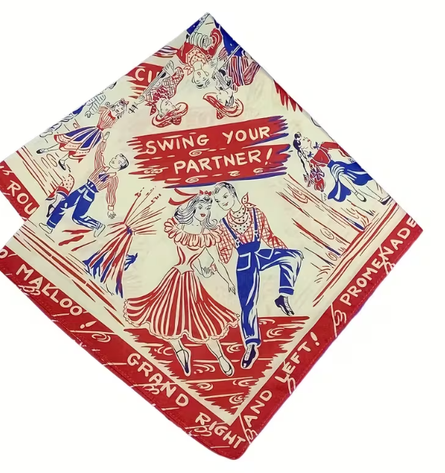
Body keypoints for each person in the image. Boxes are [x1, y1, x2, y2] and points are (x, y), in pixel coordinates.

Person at [123, 191, 238, 377]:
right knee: (166, 316)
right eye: (200, 206)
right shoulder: (179, 228)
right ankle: (180, 351)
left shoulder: (207, 235)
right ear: (193, 208)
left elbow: (214, 261)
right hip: (174, 277)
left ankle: (221, 357)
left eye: (207, 207)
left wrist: (226, 280)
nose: (204, 210)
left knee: (203, 319)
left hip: (190, 280)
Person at [213, 182, 304, 370]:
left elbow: (268, 237)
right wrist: (215, 248)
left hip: (261, 254)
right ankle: (251, 345)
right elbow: (225, 254)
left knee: (293, 256)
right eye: (218, 200)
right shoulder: (223, 224)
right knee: (248, 305)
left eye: (225, 196)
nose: (223, 202)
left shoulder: (255, 213)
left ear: (233, 193)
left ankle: (283, 296)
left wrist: (283, 251)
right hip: (244, 262)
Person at [39, 135, 128, 237]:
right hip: (83, 188)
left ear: (120, 167)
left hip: (89, 195)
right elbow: (98, 154)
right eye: (115, 158)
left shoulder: (113, 179)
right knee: (63, 204)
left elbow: (111, 193)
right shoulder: (101, 167)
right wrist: (103, 141)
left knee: (77, 217)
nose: (114, 160)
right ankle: (49, 226)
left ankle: (98, 225)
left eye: (118, 161)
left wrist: (110, 208)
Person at [36, 99, 127, 170]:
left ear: (122, 111)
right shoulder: (106, 110)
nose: (118, 109)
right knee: (71, 140)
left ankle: (63, 160)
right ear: (116, 104)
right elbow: (95, 110)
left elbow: (109, 129)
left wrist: (105, 137)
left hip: (97, 136)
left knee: (80, 149)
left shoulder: (115, 120)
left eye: (121, 109)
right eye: (118, 106)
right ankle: (47, 149)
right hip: (91, 130)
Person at [300, 137, 391, 204]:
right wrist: (321, 190)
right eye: (303, 140)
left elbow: (337, 146)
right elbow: (316, 175)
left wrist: (346, 155)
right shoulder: (312, 161)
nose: (306, 139)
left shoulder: (322, 146)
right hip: (334, 169)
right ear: (302, 147)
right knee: (341, 175)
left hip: (339, 164)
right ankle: (358, 193)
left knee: (361, 178)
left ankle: (379, 197)